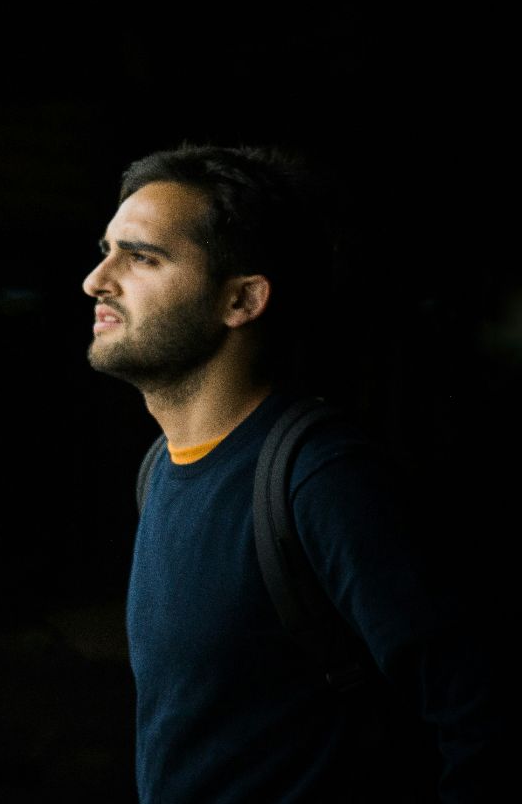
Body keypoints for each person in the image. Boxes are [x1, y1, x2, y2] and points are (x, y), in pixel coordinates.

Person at [84, 145, 496, 802]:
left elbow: (483, 724)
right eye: (106, 250)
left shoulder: (323, 478)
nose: (96, 281)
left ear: (242, 299)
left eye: (142, 257)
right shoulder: (161, 467)